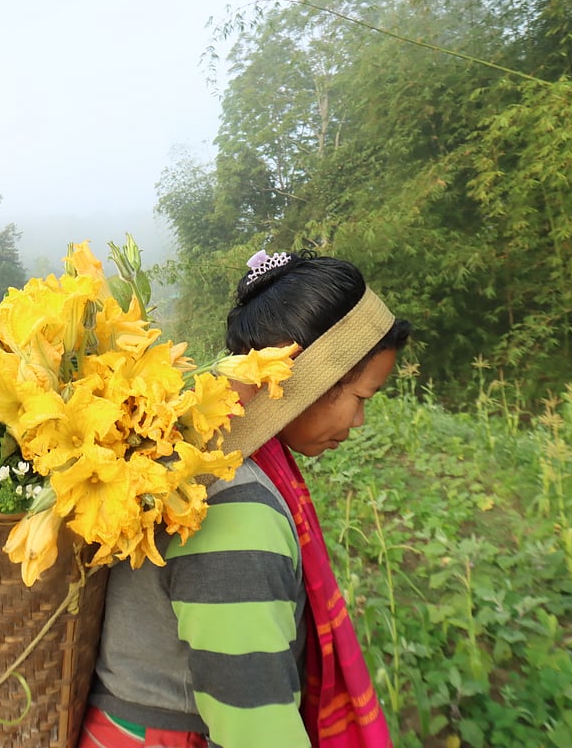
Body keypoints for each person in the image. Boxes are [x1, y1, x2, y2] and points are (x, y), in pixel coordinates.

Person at [79, 249, 411, 748]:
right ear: (308, 376)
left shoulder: (193, 451)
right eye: (361, 397)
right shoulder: (232, 506)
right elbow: (253, 726)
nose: (359, 421)